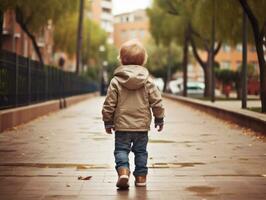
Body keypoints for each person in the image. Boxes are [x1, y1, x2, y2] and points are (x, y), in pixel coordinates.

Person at [102, 39, 165, 189]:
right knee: (141, 152)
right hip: (141, 127)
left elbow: (109, 103)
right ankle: (141, 178)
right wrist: (159, 118)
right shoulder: (147, 81)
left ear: (122, 60)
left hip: (122, 126)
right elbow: (157, 100)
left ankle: (123, 171)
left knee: (121, 150)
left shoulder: (116, 81)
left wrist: (107, 121)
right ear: (143, 61)